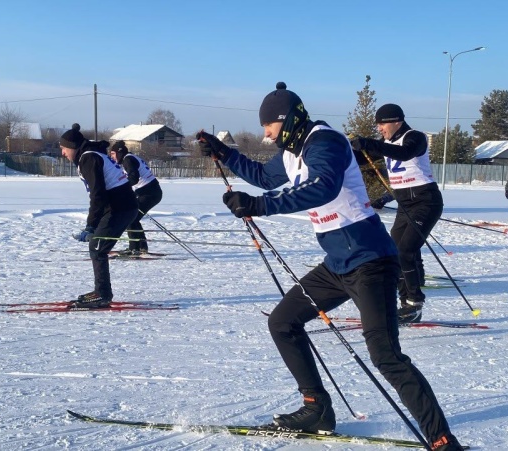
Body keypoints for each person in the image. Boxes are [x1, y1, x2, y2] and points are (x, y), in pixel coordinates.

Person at [197, 83, 463, 451]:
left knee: (386, 357)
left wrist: (259, 207)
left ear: (287, 121)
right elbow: (263, 177)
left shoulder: (326, 142)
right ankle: (316, 409)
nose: (266, 134)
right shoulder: (293, 153)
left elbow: (323, 187)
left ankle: (442, 439)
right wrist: (225, 153)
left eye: (269, 127)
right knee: (283, 322)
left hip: (371, 262)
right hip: (338, 264)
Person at [349, 104, 443, 324]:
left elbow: (404, 153)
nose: (379, 128)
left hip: (425, 202)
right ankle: (404, 303)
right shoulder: (386, 143)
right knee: (394, 252)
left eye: (382, 124)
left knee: (405, 250)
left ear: (396, 121)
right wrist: (345, 149)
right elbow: (360, 157)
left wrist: (370, 143)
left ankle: (415, 303)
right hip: (405, 204)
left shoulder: (415, 137)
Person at [59, 123, 138, 307]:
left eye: (63, 149)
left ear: (72, 147)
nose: (62, 153)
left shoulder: (88, 158)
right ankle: (101, 292)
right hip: (119, 206)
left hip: (121, 207)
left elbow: (98, 194)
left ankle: (102, 294)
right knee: (97, 246)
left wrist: (91, 225)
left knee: (97, 247)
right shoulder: (91, 155)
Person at [110, 140, 163, 255]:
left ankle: (135, 248)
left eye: (113, 154)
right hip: (148, 192)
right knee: (133, 218)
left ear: (119, 153)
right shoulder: (129, 158)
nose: (112, 157)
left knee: (130, 217)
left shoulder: (127, 160)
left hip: (149, 193)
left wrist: (123, 189)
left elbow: (134, 178)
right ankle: (141, 246)